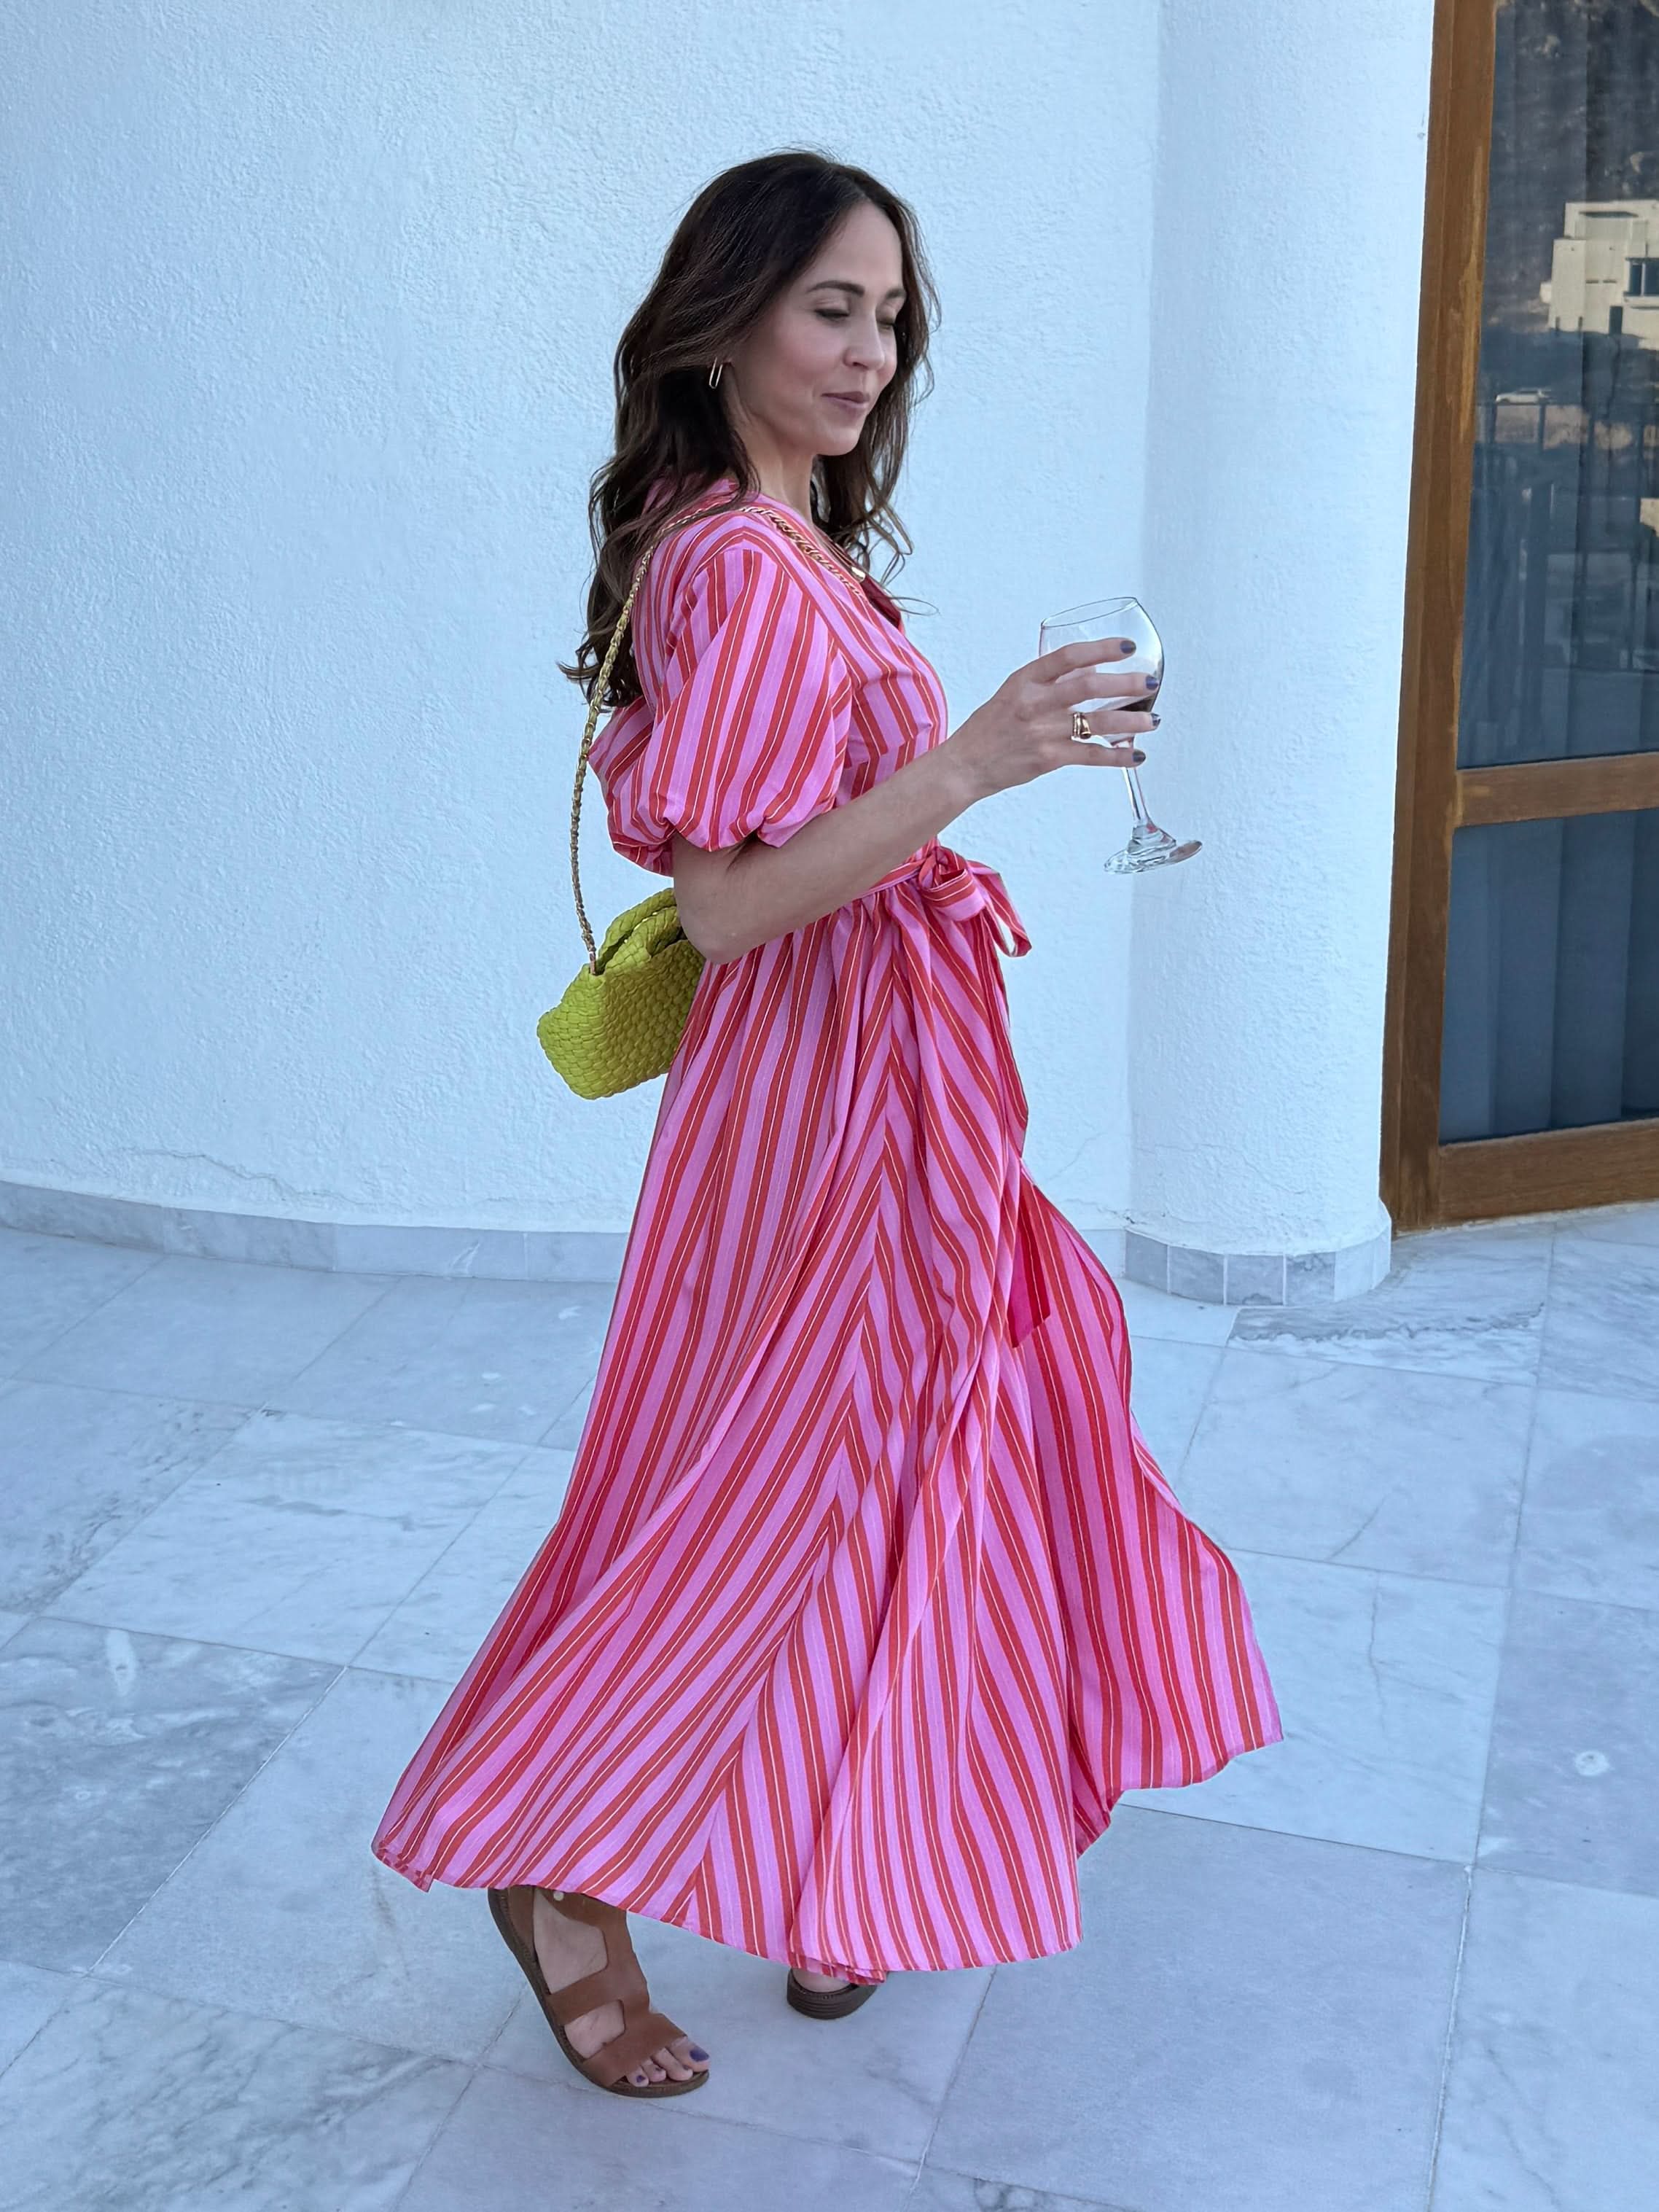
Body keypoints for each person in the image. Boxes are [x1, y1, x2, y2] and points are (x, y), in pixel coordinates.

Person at [371, 149, 1281, 2100]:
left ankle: (845, 1855)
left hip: (880, 1093)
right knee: (764, 1500)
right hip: (829, 1121)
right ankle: (551, 1869)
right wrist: (974, 761)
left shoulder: (772, 540)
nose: (871, 350)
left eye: (889, 314)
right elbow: (728, 902)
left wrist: (967, 778)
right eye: (829, 309)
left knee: (903, 1470)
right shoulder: (740, 565)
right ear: (721, 326)